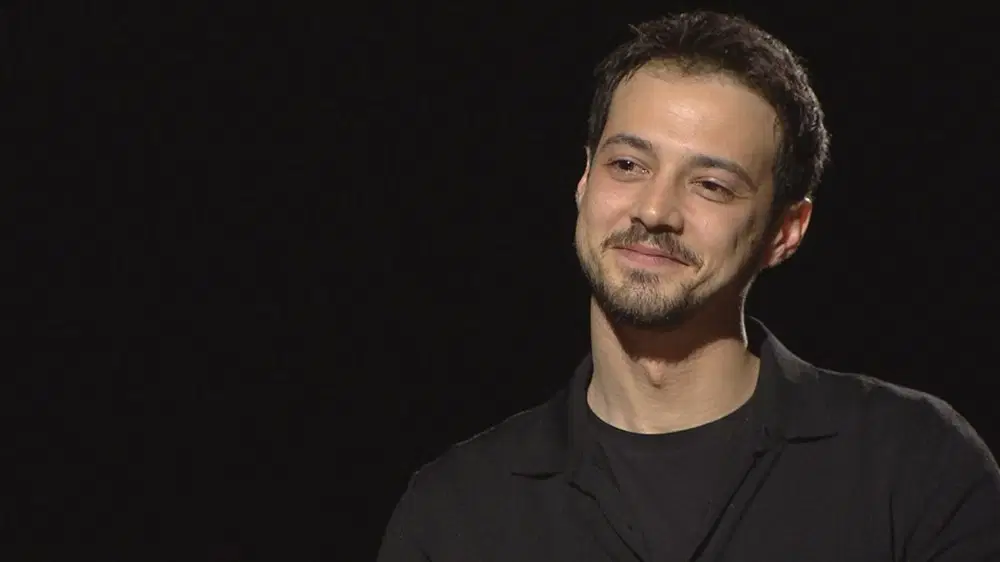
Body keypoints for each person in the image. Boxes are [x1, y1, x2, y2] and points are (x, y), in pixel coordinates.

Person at [377, 11, 1000, 562]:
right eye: (628, 165)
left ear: (785, 230)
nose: (654, 210)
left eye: (711, 185)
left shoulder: (915, 465)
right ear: (584, 180)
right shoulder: (453, 510)